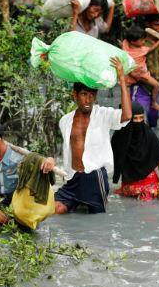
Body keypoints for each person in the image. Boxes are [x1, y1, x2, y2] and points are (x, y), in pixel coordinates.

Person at [53, 57, 131, 214]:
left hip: (95, 178)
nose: (88, 99)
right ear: (74, 95)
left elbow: (127, 115)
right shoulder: (65, 121)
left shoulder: (103, 115)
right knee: (55, 210)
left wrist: (122, 80)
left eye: (91, 95)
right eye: (83, 94)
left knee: (97, 220)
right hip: (73, 178)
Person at [111, 102, 159, 203]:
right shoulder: (119, 137)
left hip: (149, 184)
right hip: (128, 186)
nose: (139, 121)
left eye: (141, 118)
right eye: (135, 118)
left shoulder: (148, 135)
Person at [122, 24, 159, 126]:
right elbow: (151, 49)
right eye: (142, 40)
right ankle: (154, 102)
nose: (144, 42)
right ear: (133, 41)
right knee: (157, 85)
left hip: (135, 76)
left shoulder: (125, 46)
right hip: (140, 75)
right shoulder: (140, 51)